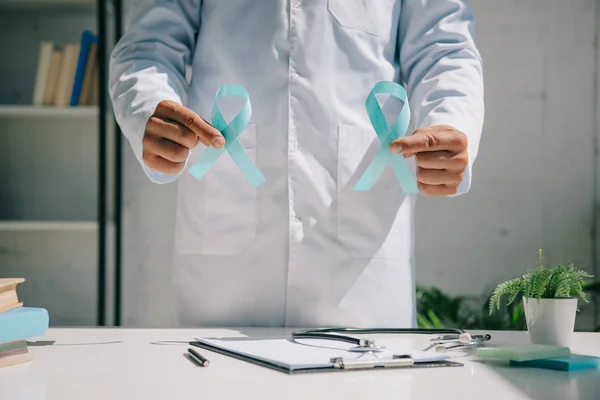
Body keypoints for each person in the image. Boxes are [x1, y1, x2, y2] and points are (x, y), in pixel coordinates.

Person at [109, 0, 484, 328]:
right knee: (218, 380)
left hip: (360, 242)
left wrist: (451, 120)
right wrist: (148, 107)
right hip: (227, 253)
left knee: (367, 380)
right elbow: (148, 47)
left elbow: (445, 48)